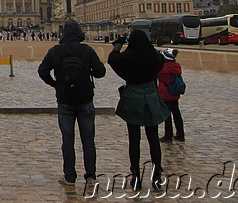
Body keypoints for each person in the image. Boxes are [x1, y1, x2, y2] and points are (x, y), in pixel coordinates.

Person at [38, 20, 106, 186]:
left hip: (65, 100)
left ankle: (69, 176)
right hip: (85, 100)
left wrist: (55, 84)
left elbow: (42, 71)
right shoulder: (87, 50)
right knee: (88, 140)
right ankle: (90, 176)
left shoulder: (56, 51)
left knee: (67, 140)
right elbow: (100, 72)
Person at [107, 30, 170, 191]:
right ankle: (157, 176)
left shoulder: (128, 57)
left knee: (134, 140)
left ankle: (135, 175)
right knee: (153, 139)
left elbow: (112, 59)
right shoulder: (154, 57)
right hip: (150, 96)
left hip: (133, 97)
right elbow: (161, 59)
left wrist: (118, 45)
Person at [157, 48, 185, 142]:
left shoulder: (163, 68)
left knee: (167, 115)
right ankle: (180, 134)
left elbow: (157, 74)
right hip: (174, 93)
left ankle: (168, 135)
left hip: (165, 93)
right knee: (176, 113)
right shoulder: (176, 66)